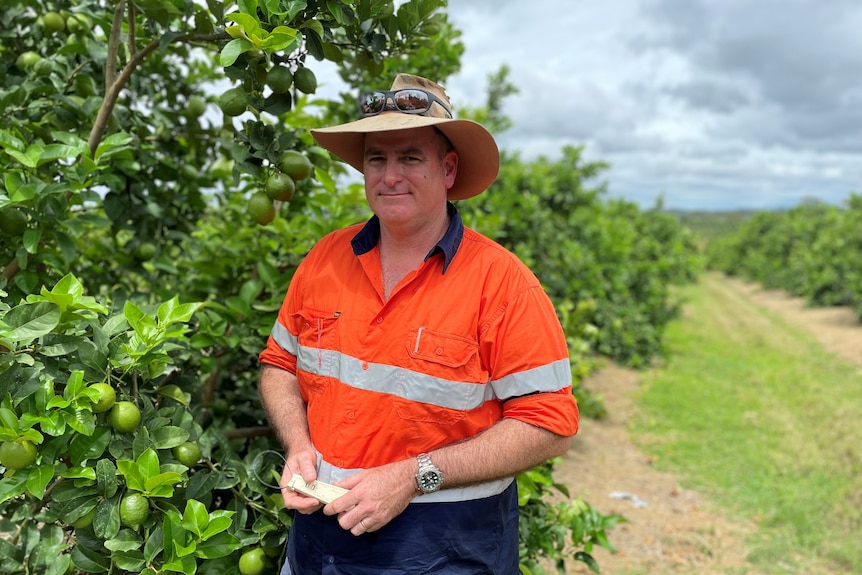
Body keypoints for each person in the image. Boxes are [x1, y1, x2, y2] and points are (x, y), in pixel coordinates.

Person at [258, 73, 579, 574]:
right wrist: (299, 445)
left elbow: (549, 423)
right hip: (316, 545)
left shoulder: (503, 284)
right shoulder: (325, 258)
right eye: (376, 158)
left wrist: (415, 475)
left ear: (448, 169)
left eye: (410, 157)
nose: (390, 175)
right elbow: (279, 364)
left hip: (444, 550)